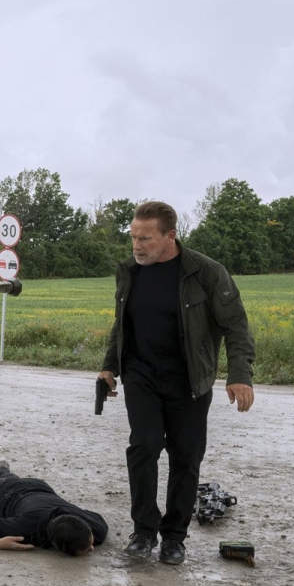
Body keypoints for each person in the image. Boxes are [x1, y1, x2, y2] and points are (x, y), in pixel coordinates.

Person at [98, 201, 255, 565]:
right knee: (144, 446)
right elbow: (121, 325)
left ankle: (174, 537)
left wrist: (240, 375)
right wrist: (109, 367)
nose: (137, 246)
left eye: (146, 238)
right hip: (141, 374)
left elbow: (236, 326)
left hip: (189, 379)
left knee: (186, 456)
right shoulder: (128, 271)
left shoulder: (206, 273)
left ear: (171, 235)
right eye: (134, 237)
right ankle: (143, 530)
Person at [0, 461, 108, 555]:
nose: (92, 548)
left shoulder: (96, 528)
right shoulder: (25, 528)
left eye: (89, 543)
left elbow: (94, 516)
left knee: (8, 481)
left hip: (36, 485)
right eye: (88, 547)